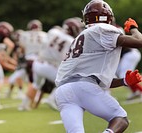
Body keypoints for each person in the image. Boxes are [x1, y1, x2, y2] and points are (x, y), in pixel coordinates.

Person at [54, 0, 142, 132]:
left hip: (63, 92)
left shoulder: (81, 37)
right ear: (108, 16)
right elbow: (139, 42)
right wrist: (133, 28)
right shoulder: (102, 29)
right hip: (84, 87)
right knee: (120, 118)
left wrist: (124, 81)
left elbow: (97, 79)